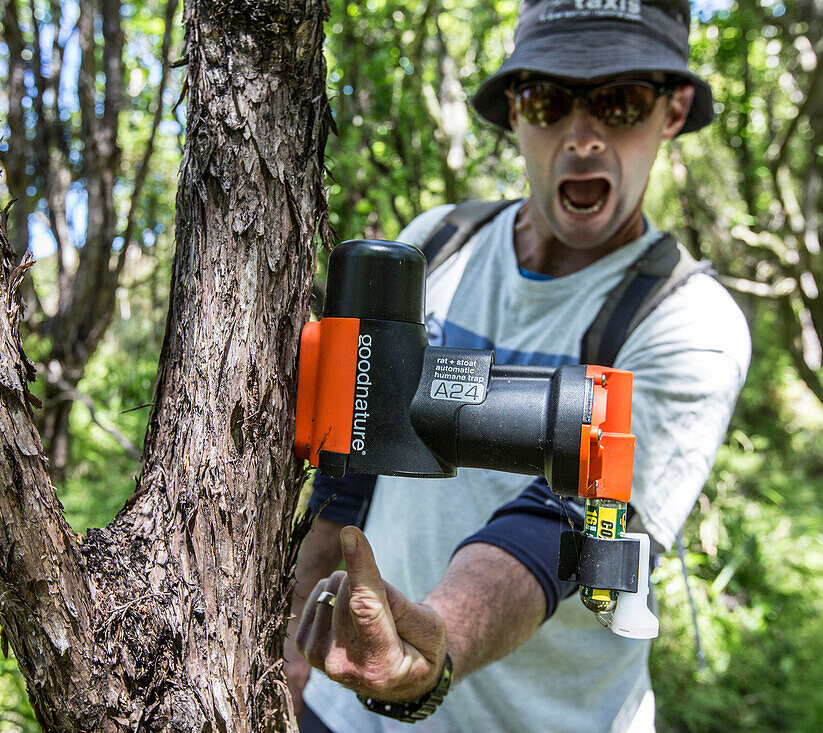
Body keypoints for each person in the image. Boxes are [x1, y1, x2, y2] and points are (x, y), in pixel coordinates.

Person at [286, 1, 751, 730]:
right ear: (514, 110)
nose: (583, 136)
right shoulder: (435, 245)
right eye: (548, 99)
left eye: (620, 101)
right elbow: (350, 474)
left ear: (673, 110)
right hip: (343, 712)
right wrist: (289, 653)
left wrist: (436, 643)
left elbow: (558, 522)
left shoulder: (690, 322)